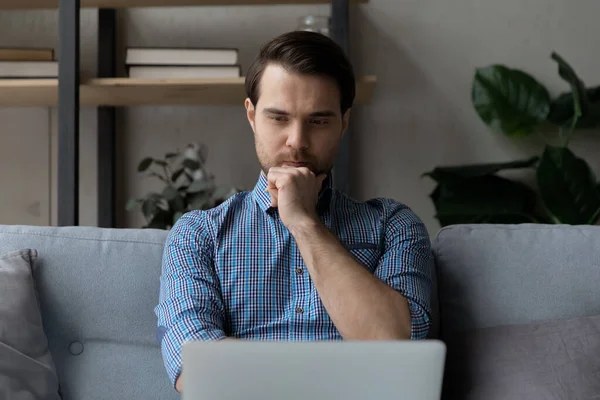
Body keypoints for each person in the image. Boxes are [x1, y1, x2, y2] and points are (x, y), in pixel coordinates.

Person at [154, 30, 433, 393]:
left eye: (318, 121)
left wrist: (305, 224)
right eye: (279, 118)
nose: (297, 141)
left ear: (344, 122)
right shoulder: (197, 234)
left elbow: (399, 349)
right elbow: (195, 371)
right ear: (252, 116)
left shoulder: (393, 225)